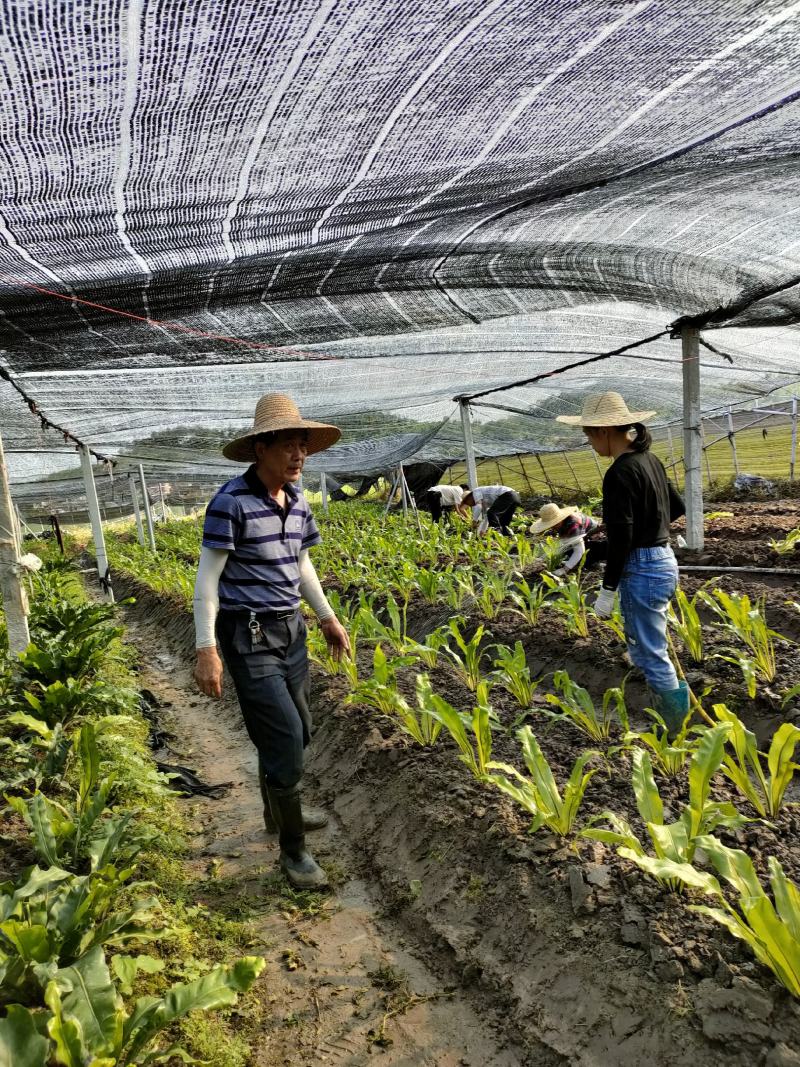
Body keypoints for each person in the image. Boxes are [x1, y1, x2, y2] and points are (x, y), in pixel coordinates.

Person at [193, 393, 350, 889]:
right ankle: (294, 851)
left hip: (291, 630)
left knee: (298, 730)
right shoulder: (230, 503)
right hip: (248, 632)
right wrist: (206, 649)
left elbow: (300, 563)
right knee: (283, 736)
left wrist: (326, 617)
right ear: (260, 448)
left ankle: (276, 812)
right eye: (288, 446)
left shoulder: (298, 499)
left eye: (303, 446)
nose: (298, 456)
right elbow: (206, 580)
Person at [556, 392, 688, 736]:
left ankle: (673, 732)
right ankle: (674, 722)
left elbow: (622, 540)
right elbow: (675, 507)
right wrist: (651, 529)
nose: (590, 442)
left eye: (589, 435)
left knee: (650, 654)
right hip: (664, 559)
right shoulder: (651, 461)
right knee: (653, 648)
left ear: (604, 432)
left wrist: (607, 590)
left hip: (642, 567)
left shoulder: (618, 473)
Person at [529, 502, 600, 576]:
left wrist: (565, 569)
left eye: (554, 524)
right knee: (565, 548)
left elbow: (579, 550)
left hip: (597, 540)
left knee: (580, 557)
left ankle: (592, 561)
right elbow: (561, 543)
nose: (552, 527)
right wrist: (542, 558)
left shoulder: (574, 525)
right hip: (583, 536)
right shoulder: (563, 523)